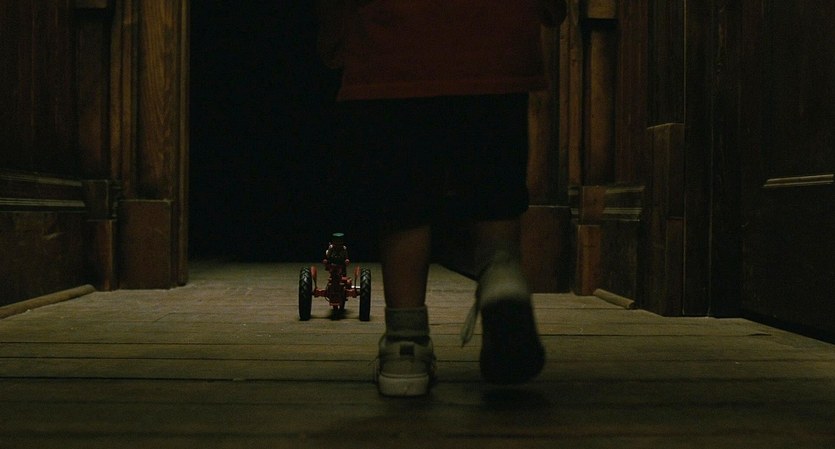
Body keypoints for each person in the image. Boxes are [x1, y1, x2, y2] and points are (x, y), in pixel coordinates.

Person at [316, 0, 568, 396]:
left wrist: (333, 26)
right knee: (493, 184)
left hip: (392, 42)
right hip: (496, 37)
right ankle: (501, 277)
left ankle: (406, 344)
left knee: (402, 203)